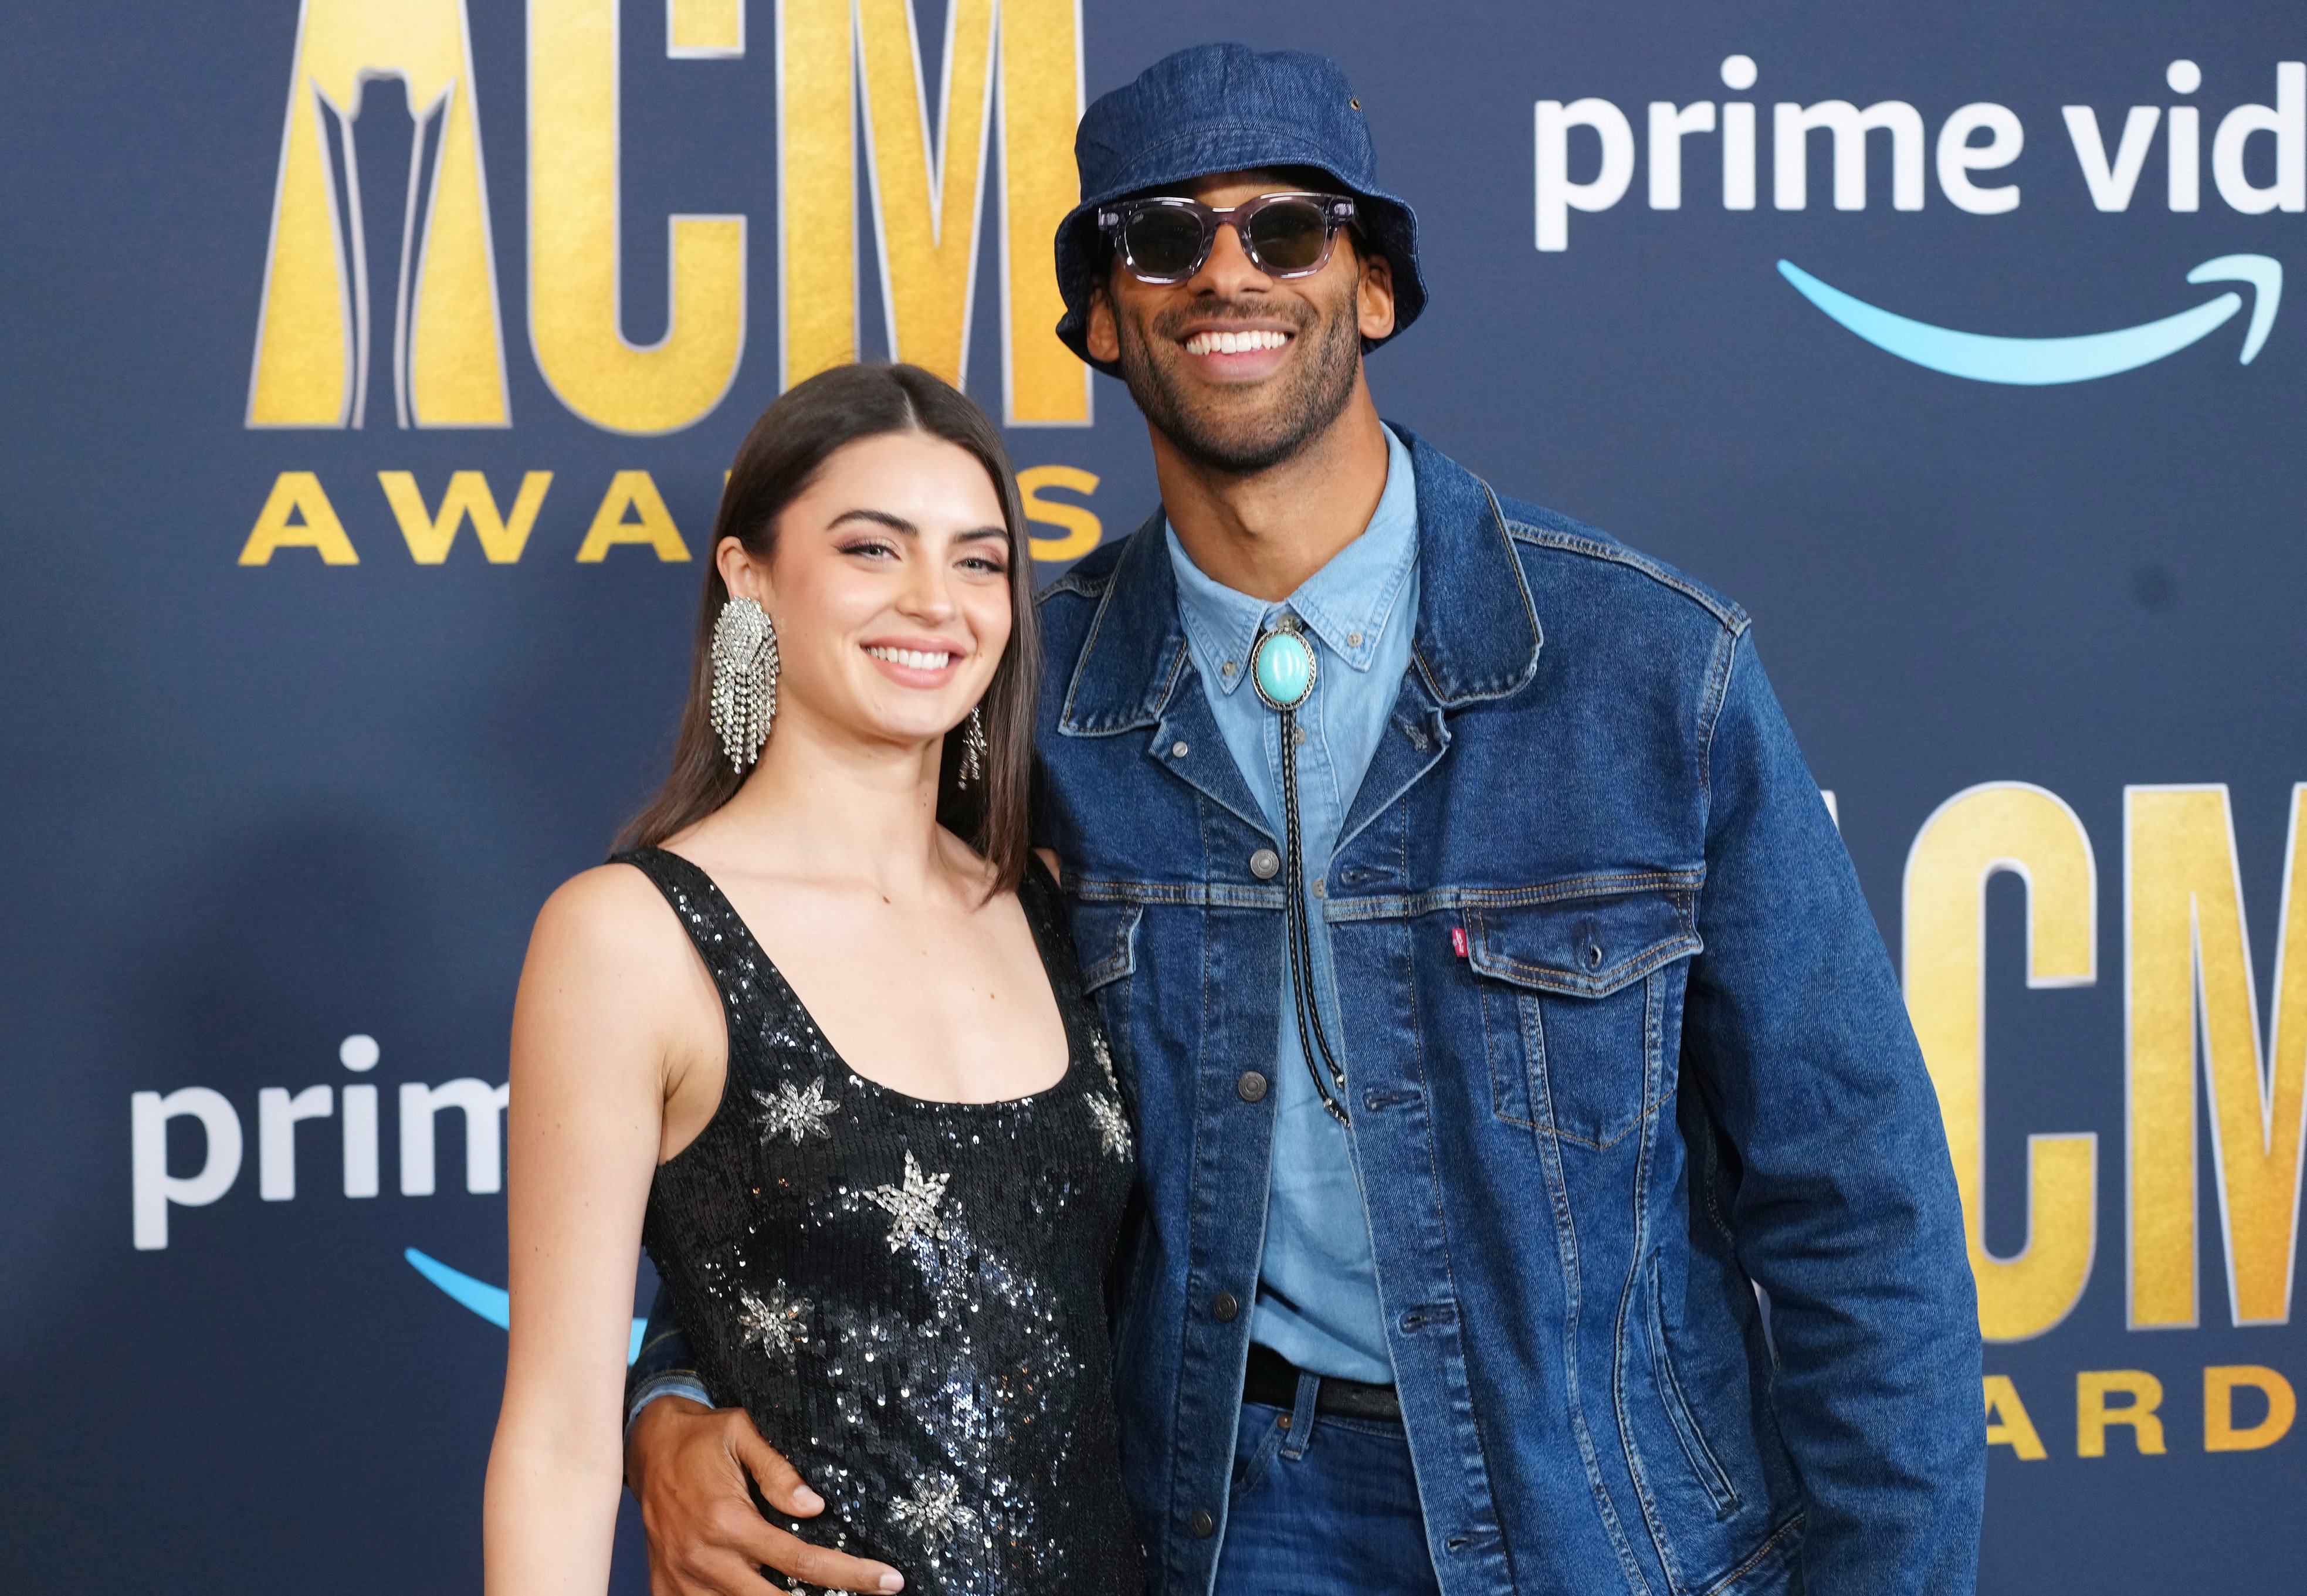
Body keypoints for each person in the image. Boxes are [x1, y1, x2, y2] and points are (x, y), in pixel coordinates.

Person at [623, 43, 1986, 1596]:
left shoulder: (1645, 669)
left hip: (1603, 1529)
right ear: (1096, 317)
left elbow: (1853, 1202)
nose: (1225, 272)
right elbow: (831, 1115)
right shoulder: (1014, 695)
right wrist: (670, 1398)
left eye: (1284, 229)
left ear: (1375, 288)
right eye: (1161, 236)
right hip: (1205, 1523)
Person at [482, 364, 1145, 1596]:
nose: (933, 603)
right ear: (748, 577)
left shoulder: (1050, 898)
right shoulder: (629, 937)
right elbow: (559, 1441)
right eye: (871, 549)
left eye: (979, 561)